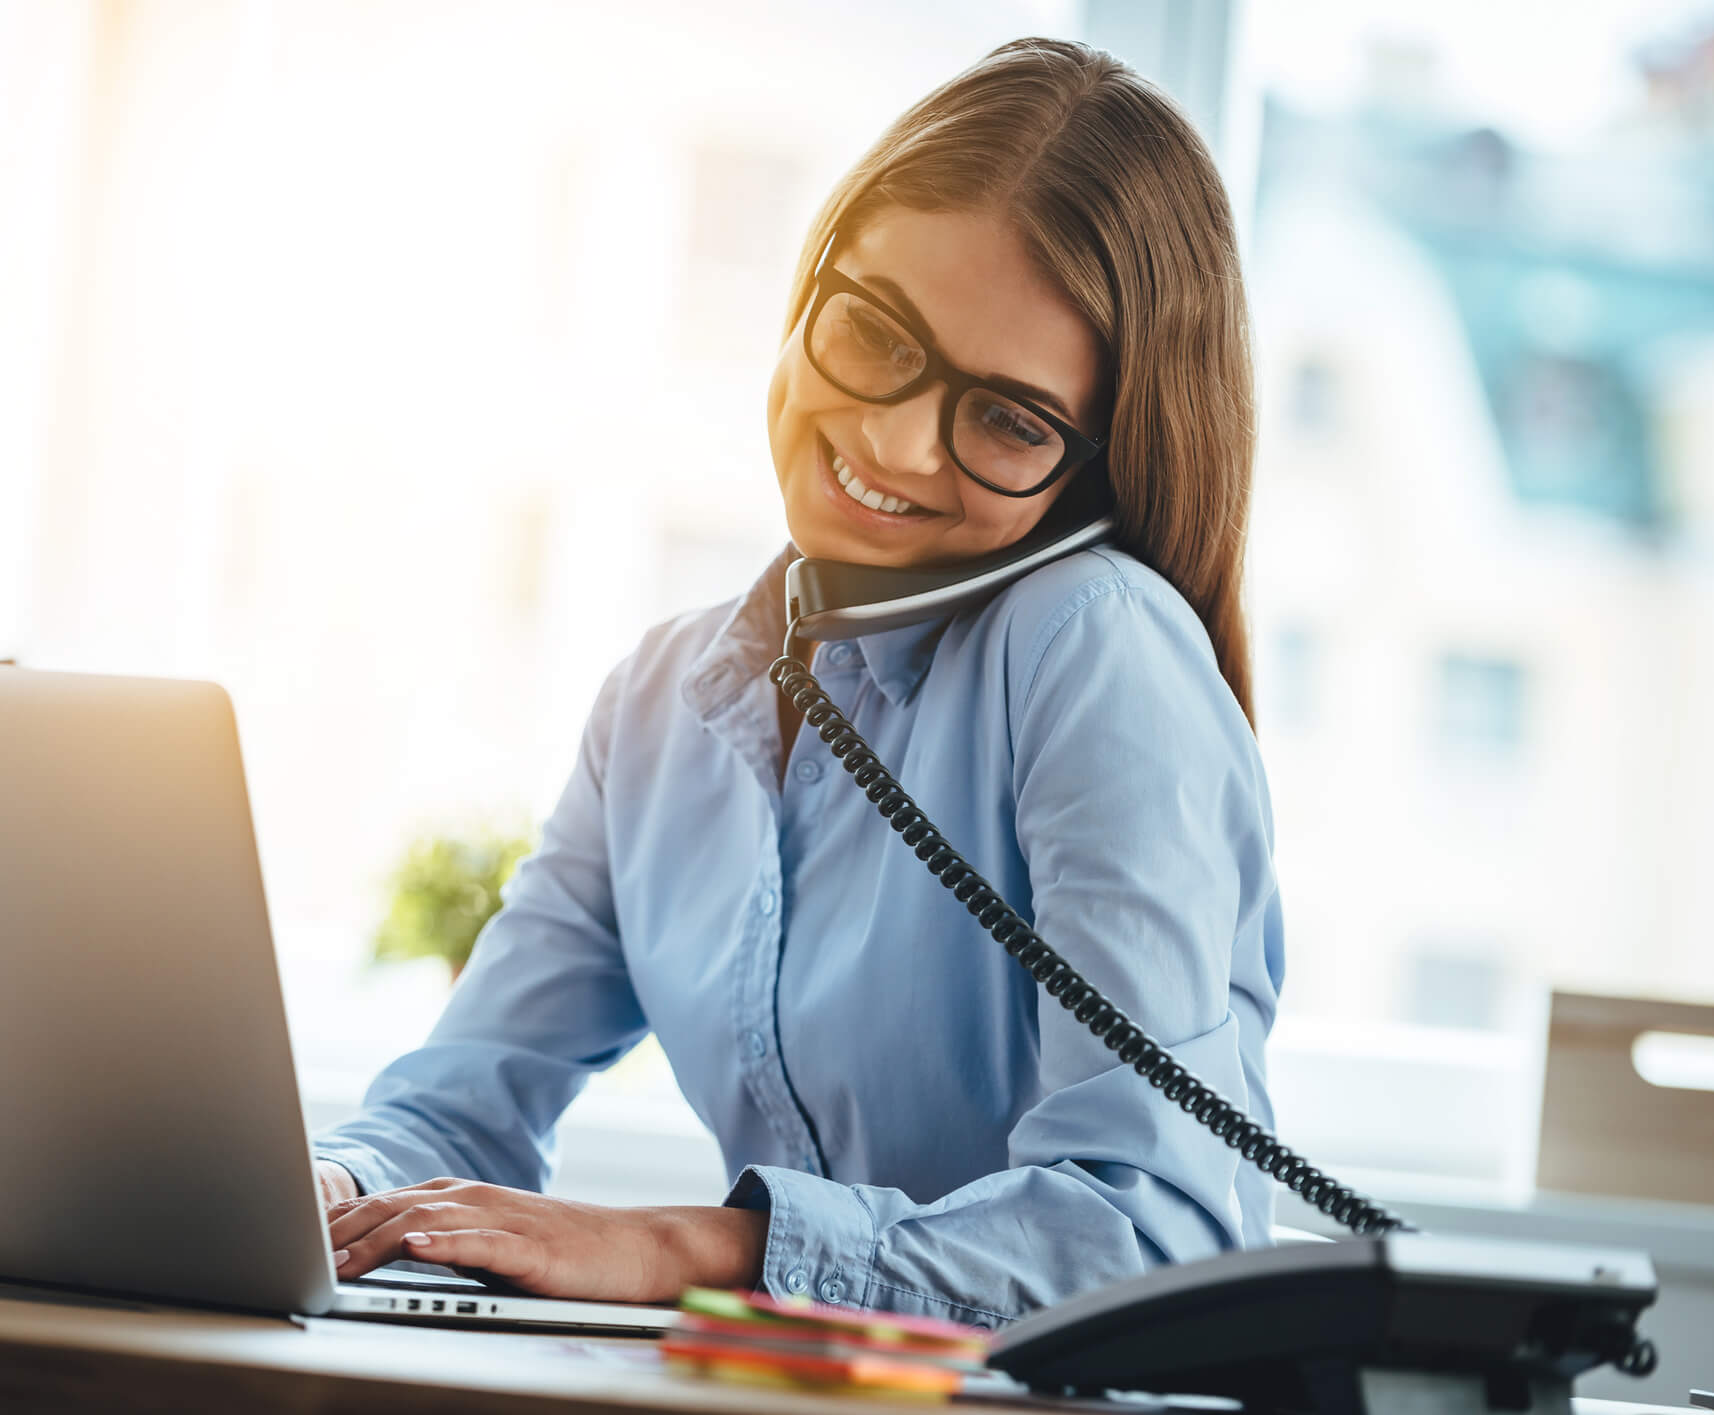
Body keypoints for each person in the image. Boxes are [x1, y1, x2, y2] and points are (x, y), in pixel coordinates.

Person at [311, 35, 1279, 1325]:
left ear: (1093, 473)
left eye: (1006, 419)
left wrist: (687, 1249)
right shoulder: (663, 703)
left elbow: (1149, 1235)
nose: (893, 442)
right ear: (812, 277)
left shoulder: (1091, 644)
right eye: (877, 333)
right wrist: (324, 1188)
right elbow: (460, 1107)